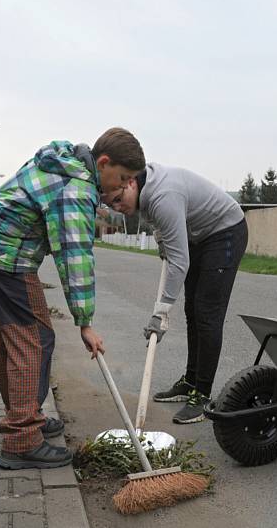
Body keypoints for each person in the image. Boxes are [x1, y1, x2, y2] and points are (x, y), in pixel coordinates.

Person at [0, 127, 146, 468]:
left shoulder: (63, 163)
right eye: (121, 178)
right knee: (30, 339)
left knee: (11, 335)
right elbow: (75, 257)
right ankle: (21, 438)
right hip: (7, 255)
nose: (121, 188)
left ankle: (26, 415)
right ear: (103, 163)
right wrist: (85, 323)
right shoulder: (76, 190)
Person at [106, 162, 247, 424]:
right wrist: (161, 239)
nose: (117, 208)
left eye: (117, 199)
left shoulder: (162, 196)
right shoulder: (145, 192)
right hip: (200, 236)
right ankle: (191, 380)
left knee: (207, 312)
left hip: (225, 232)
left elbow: (179, 262)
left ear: (131, 183)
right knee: (192, 308)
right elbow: (162, 222)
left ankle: (202, 394)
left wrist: (161, 313)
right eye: (110, 204)